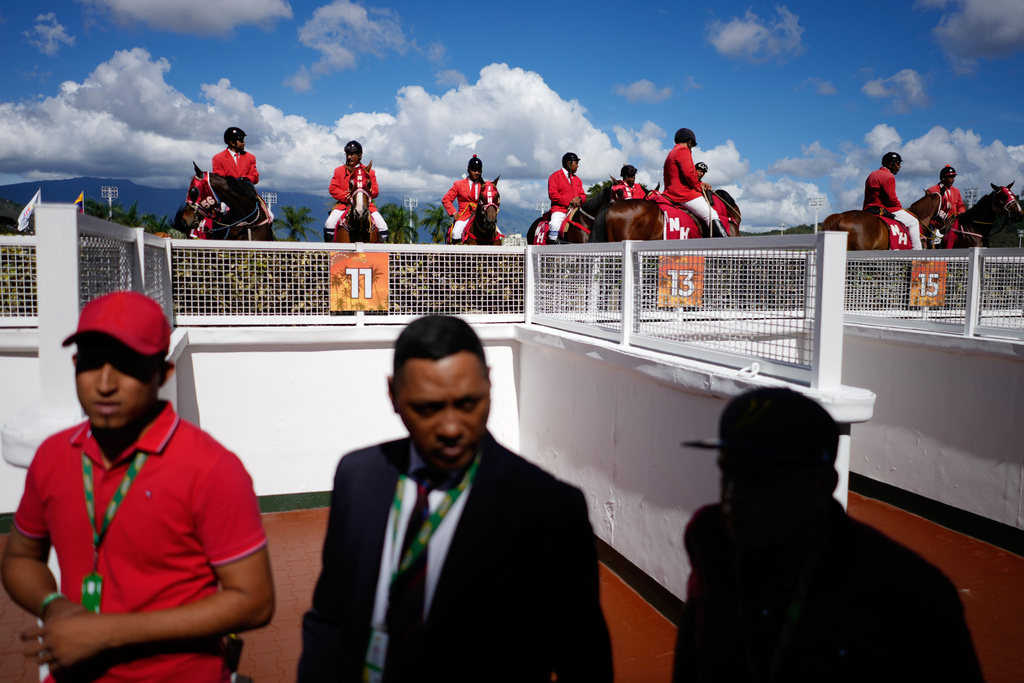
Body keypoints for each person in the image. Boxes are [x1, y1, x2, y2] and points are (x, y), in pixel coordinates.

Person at [298, 315, 612, 683]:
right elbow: (329, 617)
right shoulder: (357, 477)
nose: (450, 428)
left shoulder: (549, 509)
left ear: (489, 385)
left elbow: (585, 667)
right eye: (428, 408)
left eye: (468, 403)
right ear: (392, 395)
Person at [1, 291, 274, 682]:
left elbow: (255, 601)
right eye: (92, 363)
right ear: (76, 365)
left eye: (128, 365)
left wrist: (107, 632)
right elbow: (20, 559)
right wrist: (53, 605)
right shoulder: (52, 456)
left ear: (162, 374)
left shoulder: (212, 468)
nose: (106, 383)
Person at [673, 387, 983, 683]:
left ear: (823, 484)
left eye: (761, 479)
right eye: (728, 472)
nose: (734, 496)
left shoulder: (911, 593)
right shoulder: (710, 533)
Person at [663, 128, 727, 238]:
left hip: (670, 193)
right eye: (692, 146)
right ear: (690, 142)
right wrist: (699, 185)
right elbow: (688, 174)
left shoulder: (671, 152)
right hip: (683, 194)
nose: (691, 148)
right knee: (711, 214)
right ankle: (727, 248)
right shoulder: (683, 151)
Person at [325, 140, 389, 242]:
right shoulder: (339, 171)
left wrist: (360, 195)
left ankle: (382, 254)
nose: (349, 157)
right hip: (344, 205)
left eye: (352, 154)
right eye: (347, 154)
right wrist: (345, 197)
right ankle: (331, 252)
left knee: (383, 226)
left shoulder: (369, 172)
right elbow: (332, 188)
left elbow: (375, 191)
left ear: (360, 155)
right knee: (329, 223)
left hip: (365, 205)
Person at [864, 152, 922, 249]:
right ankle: (917, 252)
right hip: (885, 208)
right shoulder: (889, 176)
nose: (899, 167)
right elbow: (891, 199)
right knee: (914, 222)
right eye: (898, 164)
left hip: (868, 208)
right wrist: (900, 207)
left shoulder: (872, 174)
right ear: (891, 164)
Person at [212, 127, 260, 203]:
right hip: (228, 196)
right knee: (221, 209)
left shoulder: (250, 157)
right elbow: (219, 180)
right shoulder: (218, 158)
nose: (244, 143)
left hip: (248, 194)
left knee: (270, 214)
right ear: (232, 142)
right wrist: (235, 183)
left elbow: (255, 176)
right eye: (241, 140)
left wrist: (245, 180)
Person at [442, 155, 484, 243]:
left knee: (498, 234)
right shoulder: (459, 184)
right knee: (456, 233)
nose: (476, 173)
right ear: (468, 169)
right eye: (474, 170)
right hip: (464, 216)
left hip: (480, 217)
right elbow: (446, 199)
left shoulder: (484, 186)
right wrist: (454, 213)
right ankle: (455, 255)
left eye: (478, 171)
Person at [547, 152, 587, 242]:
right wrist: (570, 201)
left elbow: (583, 195)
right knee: (554, 224)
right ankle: (553, 246)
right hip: (560, 210)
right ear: (569, 163)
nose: (577, 166)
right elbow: (553, 195)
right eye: (576, 163)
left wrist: (580, 199)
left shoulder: (578, 179)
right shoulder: (554, 176)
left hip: (576, 211)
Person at [927, 165, 965, 239]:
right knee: (937, 239)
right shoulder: (932, 190)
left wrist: (960, 213)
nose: (953, 179)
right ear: (943, 178)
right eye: (951, 177)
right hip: (938, 225)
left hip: (954, 223)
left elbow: (960, 206)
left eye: (954, 177)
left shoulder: (956, 191)